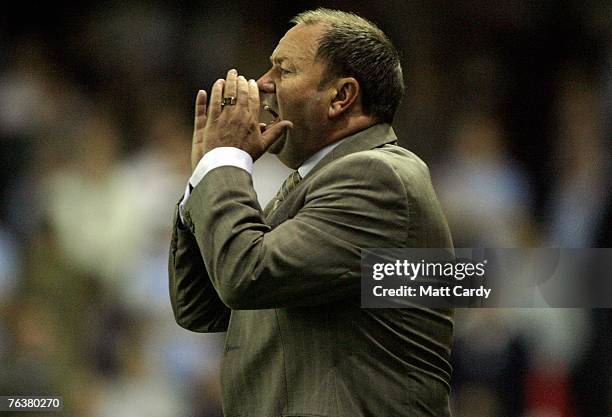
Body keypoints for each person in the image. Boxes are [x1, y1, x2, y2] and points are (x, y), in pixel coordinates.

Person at [169, 8, 454, 417]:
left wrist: (226, 163)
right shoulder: (312, 184)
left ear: (341, 96)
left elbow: (244, 274)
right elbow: (200, 307)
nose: (263, 83)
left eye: (284, 70)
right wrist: (204, 178)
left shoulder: (377, 177)